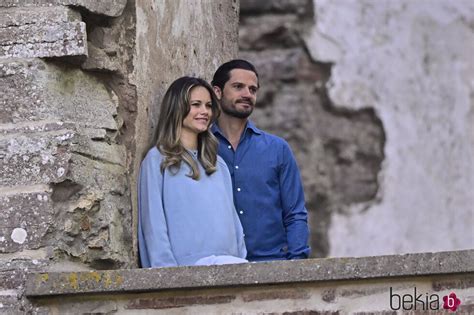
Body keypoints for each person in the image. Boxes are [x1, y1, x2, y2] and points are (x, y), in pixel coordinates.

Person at [138, 76, 247, 268]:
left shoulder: (218, 164)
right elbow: (153, 224)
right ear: (177, 107)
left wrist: (240, 263)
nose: (204, 111)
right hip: (185, 271)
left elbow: (234, 225)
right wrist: (166, 274)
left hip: (230, 267)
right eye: (196, 104)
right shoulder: (157, 160)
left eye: (208, 105)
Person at [211, 60, 310, 261]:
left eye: (253, 89)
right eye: (238, 87)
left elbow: (295, 214)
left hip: (272, 264)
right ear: (217, 92)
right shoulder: (201, 147)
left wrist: (297, 265)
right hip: (217, 267)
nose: (247, 94)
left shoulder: (277, 149)